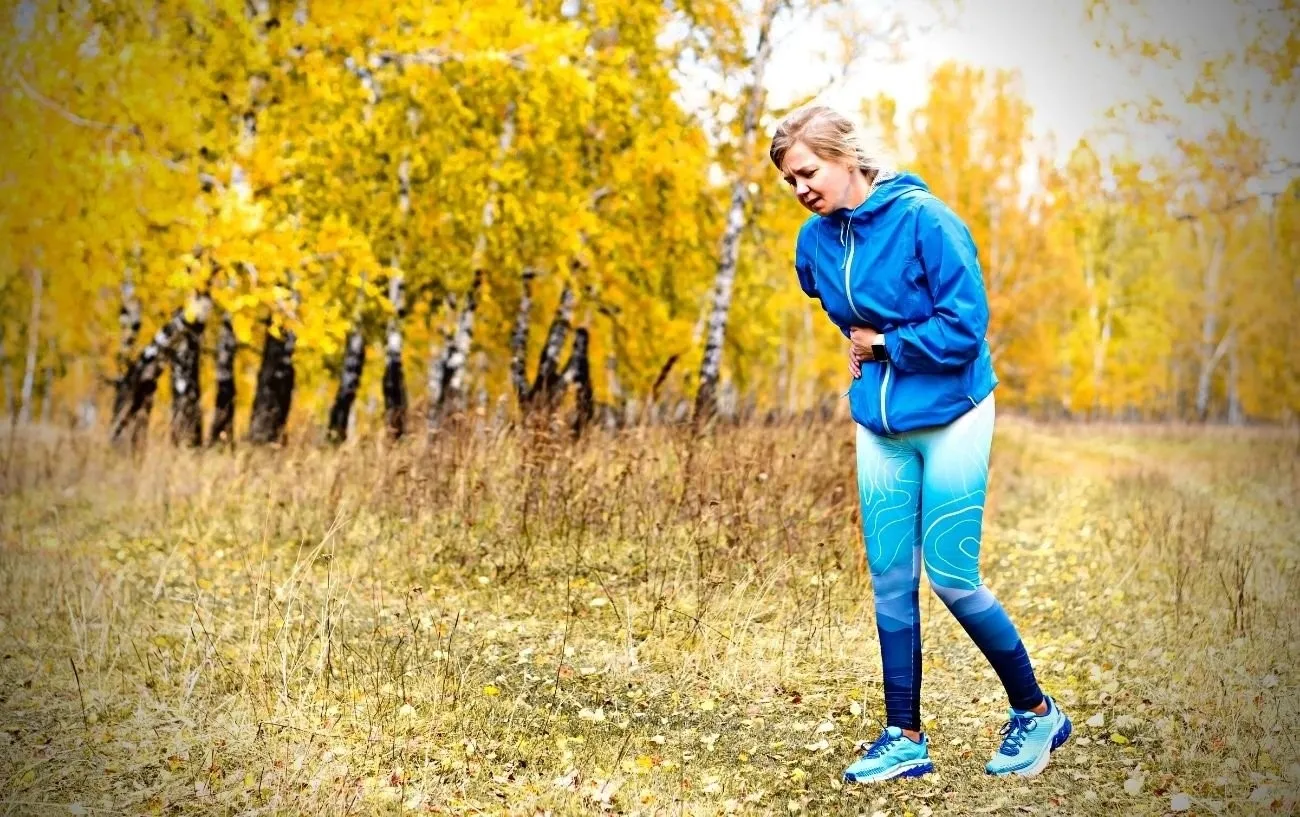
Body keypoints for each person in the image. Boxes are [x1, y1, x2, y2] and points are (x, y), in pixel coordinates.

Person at [769, 104, 1072, 783]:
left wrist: (883, 344)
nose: (801, 189)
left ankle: (1037, 711)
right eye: (790, 181)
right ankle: (903, 735)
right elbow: (839, 309)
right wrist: (863, 348)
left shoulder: (925, 220)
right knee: (890, 580)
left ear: (849, 157)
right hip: (879, 423)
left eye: (809, 172)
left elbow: (965, 328)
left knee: (953, 575)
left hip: (955, 412)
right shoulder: (812, 244)